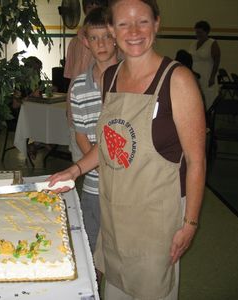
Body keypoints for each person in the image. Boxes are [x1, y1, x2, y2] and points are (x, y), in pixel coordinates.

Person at [48, 1, 206, 299]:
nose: (133, 32)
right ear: (112, 28)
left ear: (156, 24)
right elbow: (109, 144)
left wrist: (190, 224)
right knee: (116, 288)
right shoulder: (111, 77)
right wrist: (76, 168)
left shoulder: (178, 80)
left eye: (142, 22)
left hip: (156, 217)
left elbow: (197, 161)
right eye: (123, 24)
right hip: (114, 209)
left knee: (151, 291)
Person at [70, 6, 118, 253]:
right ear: (85, 41)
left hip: (125, 183)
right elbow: (80, 132)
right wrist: (97, 163)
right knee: (91, 245)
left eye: (107, 36)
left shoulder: (130, 81)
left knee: (120, 249)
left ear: (117, 38)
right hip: (94, 182)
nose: (101, 44)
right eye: (94, 37)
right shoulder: (79, 86)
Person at [64, 0, 108, 162]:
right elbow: (69, 76)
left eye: (98, 4)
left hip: (102, 109)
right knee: (80, 158)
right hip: (79, 106)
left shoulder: (110, 43)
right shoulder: (74, 43)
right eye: (90, 5)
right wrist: (69, 108)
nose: (93, 8)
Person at [189, 20, 221, 110]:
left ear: (206, 32)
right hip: (195, 75)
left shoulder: (212, 43)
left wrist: (212, 77)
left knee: (208, 98)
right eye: (196, 32)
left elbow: (217, 61)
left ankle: (208, 119)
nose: (197, 34)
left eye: (200, 32)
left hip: (208, 75)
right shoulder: (193, 43)